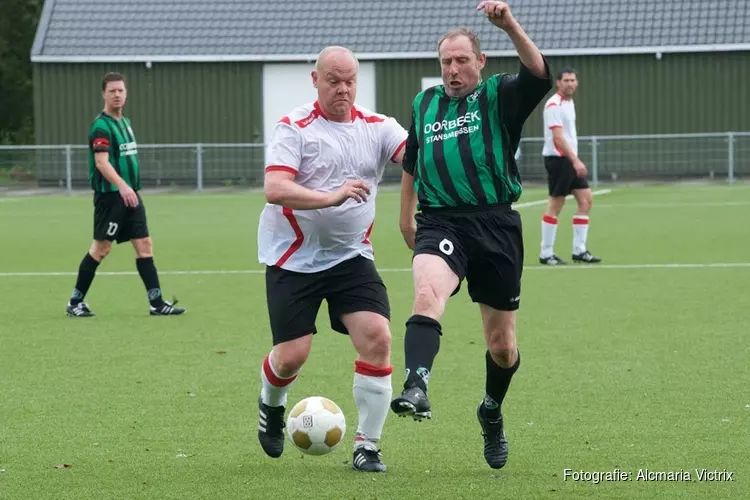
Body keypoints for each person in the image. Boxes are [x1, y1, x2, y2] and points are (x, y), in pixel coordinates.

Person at [390, 1, 552, 470]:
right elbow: (412, 162)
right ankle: (417, 385)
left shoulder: (499, 96)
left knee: (502, 346)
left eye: (462, 60)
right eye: (446, 61)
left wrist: (509, 25)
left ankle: (491, 410)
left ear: (480, 62)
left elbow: (539, 75)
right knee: (427, 291)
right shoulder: (425, 104)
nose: (453, 69)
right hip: (441, 221)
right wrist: (405, 218)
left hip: (496, 224)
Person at [255, 46, 408, 473]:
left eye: (350, 81)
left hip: (350, 257)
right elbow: (275, 188)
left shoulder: (378, 127)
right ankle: (271, 404)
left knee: (377, 336)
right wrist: (332, 196)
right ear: (315, 80)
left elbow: (417, 158)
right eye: (334, 80)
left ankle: (368, 446)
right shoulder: (294, 128)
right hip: (292, 258)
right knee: (291, 357)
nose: (343, 89)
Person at [65, 72, 185, 317]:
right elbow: (101, 162)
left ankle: (157, 303)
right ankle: (75, 302)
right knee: (101, 249)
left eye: (121, 90)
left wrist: (129, 189)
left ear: (126, 93)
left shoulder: (126, 123)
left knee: (144, 245)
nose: (117, 95)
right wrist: (122, 186)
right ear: (104, 94)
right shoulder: (101, 126)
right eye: (112, 91)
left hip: (130, 195)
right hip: (111, 197)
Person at [539, 67, 601, 265]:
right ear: (558, 82)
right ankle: (546, 253)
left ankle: (579, 250)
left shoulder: (569, 103)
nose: (570, 84)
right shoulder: (553, 105)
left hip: (570, 159)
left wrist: (574, 159)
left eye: (573, 80)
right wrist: (575, 160)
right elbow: (557, 138)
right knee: (556, 204)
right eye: (566, 80)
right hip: (559, 160)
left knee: (586, 200)